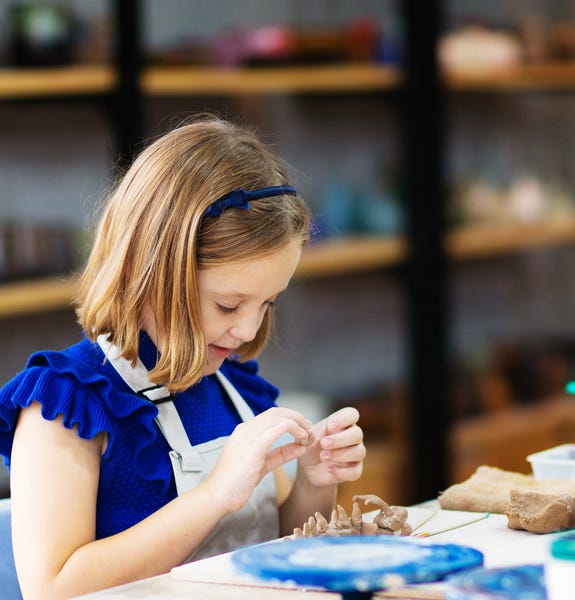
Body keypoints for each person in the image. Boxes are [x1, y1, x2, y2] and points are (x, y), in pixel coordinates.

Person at [0, 115, 366, 599]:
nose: (250, 329)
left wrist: (314, 483)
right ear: (154, 270)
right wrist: (214, 496)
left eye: (268, 304)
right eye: (229, 305)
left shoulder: (233, 388)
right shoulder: (65, 403)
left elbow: (280, 542)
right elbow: (54, 587)